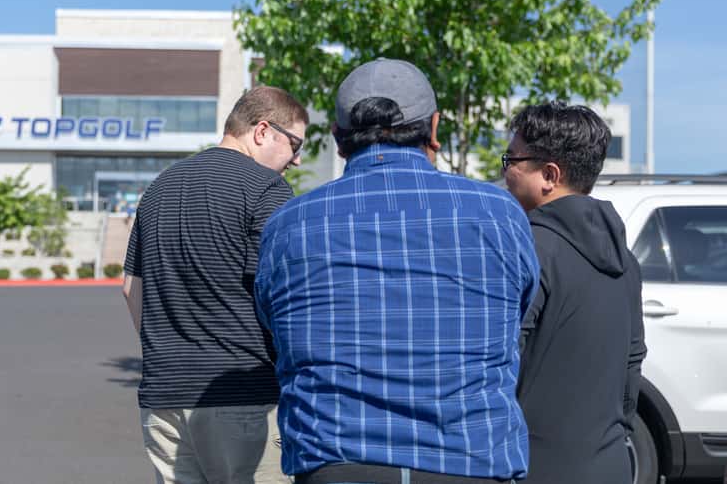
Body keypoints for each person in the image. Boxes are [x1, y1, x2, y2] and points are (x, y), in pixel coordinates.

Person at [255, 58, 539, 484]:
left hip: (336, 462)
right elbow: (518, 311)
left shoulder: (288, 224)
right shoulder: (499, 213)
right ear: (435, 129)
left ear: (338, 139)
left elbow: (273, 327)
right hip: (470, 459)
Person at [122, 85, 309, 484]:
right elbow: (284, 295)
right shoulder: (266, 190)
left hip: (163, 395)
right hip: (241, 393)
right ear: (262, 131)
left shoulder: (158, 187)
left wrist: (171, 352)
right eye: (294, 144)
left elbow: (129, 288)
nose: (295, 159)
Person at [503, 102, 646, 484]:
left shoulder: (526, 248)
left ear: (549, 175)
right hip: (611, 464)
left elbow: (504, 364)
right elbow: (631, 374)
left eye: (510, 159)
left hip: (532, 467)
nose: (505, 172)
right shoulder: (626, 261)